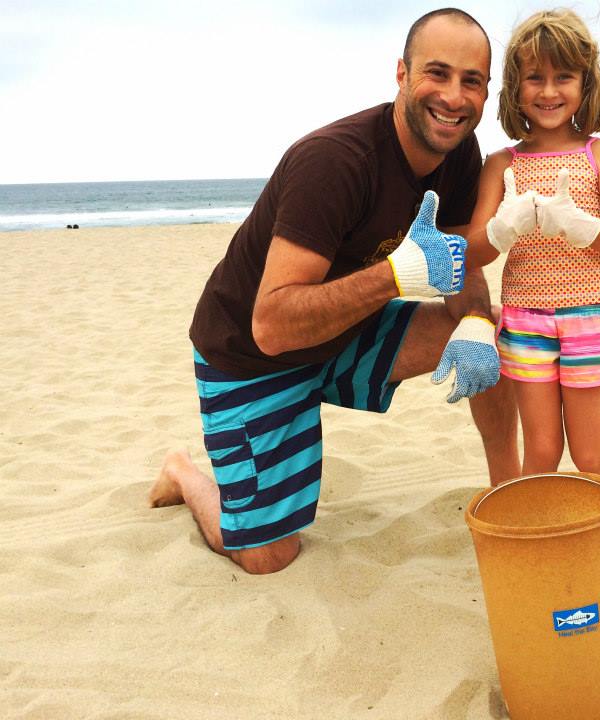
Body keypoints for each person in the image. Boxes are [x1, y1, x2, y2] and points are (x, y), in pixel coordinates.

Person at [148, 8, 521, 575]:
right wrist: (397, 274)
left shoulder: (459, 155)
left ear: (486, 91)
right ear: (401, 74)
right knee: (268, 556)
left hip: (344, 332)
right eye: (436, 73)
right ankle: (181, 470)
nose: (453, 96)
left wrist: (471, 323)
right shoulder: (336, 162)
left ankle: (510, 501)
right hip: (250, 354)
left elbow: (458, 264)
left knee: (491, 332)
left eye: (471, 81)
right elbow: (271, 326)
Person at [464, 9, 600, 546]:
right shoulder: (501, 163)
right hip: (524, 320)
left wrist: (583, 227)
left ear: (585, 84)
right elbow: (475, 252)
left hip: (589, 319)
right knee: (540, 452)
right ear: (515, 88)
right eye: (534, 77)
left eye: (563, 77)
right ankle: (544, 532)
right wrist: (502, 229)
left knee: (590, 454)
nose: (548, 91)